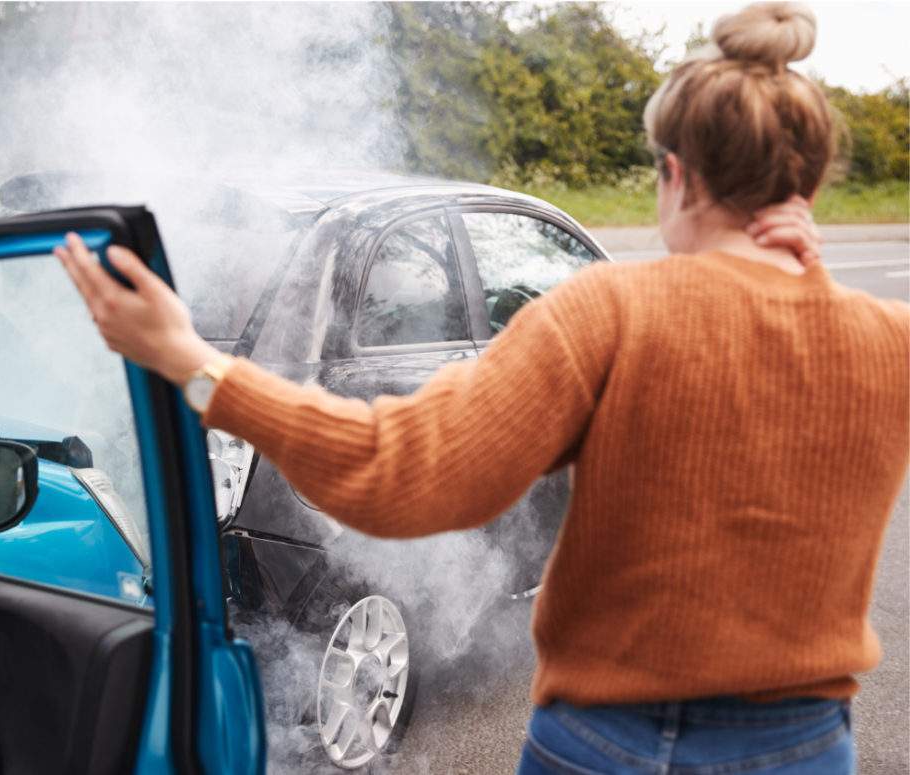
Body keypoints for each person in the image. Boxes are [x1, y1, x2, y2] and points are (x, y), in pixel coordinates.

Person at [56, 3, 908, 771]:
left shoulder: (605, 314)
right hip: (803, 748)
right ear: (808, 187)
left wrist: (188, 360)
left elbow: (396, 478)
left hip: (608, 746)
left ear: (675, 175)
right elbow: (786, 347)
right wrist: (810, 288)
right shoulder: (888, 341)